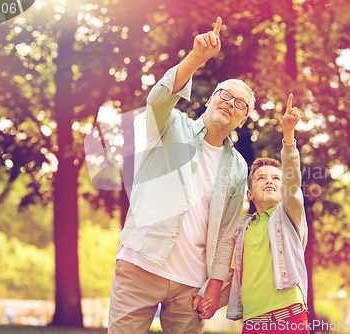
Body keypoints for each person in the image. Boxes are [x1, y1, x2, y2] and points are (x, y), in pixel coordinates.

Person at [108, 16, 256, 334]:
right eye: (225, 95)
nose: (231, 103)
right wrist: (197, 58)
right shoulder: (172, 125)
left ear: (242, 121)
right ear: (210, 99)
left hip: (191, 286)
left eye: (240, 105)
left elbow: (228, 232)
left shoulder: (238, 167)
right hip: (140, 266)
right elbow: (158, 99)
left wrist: (216, 284)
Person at [196, 94, 309, 334]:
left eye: (276, 179)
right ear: (249, 193)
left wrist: (288, 136)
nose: (269, 182)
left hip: (289, 318)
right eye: (261, 178)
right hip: (252, 324)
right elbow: (241, 280)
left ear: (283, 189)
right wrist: (214, 300)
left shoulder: (289, 217)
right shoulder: (242, 230)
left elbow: (292, 181)